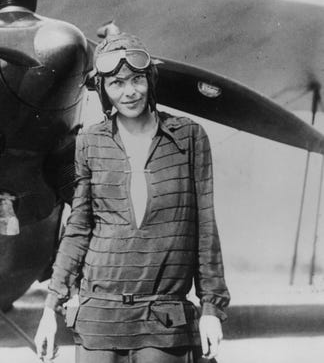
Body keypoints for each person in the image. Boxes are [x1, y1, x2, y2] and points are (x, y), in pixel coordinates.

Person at [34, 32, 230, 363]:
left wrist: (211, 307)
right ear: (104, 91)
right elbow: (79, 227)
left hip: (163, 312)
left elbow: (205, 226)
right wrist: (51, 307)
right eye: (117, 83)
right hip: (98, 314)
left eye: (137, 79)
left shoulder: (189, 137)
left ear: (150, 79)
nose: (130, 91)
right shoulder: (89, 142)